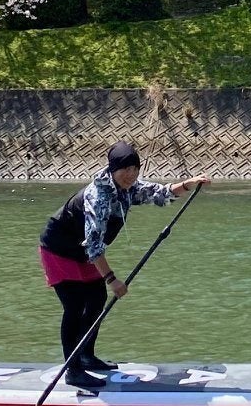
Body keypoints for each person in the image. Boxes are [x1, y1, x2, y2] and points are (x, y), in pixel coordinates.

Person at [38, 141, 209, 390]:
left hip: (83, 253)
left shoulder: (128, 188)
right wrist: (111, 279)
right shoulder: (97, 197)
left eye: (135, 169)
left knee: (96, 300)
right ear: (112, 169)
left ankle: (86, 355)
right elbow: (94, 244)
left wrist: (188, 184)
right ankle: (73, 371)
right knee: (74, 308)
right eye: (125, 170)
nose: (131, 175)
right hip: (59, 251)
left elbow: (158, 193)